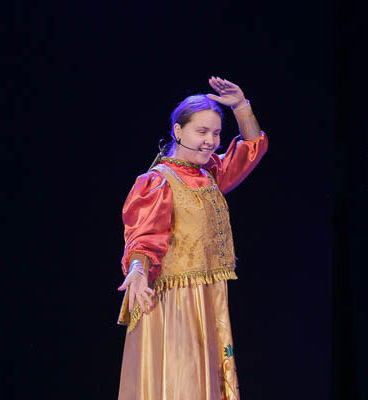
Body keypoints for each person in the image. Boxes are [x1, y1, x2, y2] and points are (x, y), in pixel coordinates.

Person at [116, 77, 268, 399]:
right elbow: (143, 238)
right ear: (178, 131)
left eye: (216, 133)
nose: (211, 141)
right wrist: (138, 270)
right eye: (202, 132)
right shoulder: (158, 182)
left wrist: (241, 107)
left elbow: (251, 148)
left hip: (208, 296)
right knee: (181, 381)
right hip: (176, 300)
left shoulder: (209, 173)